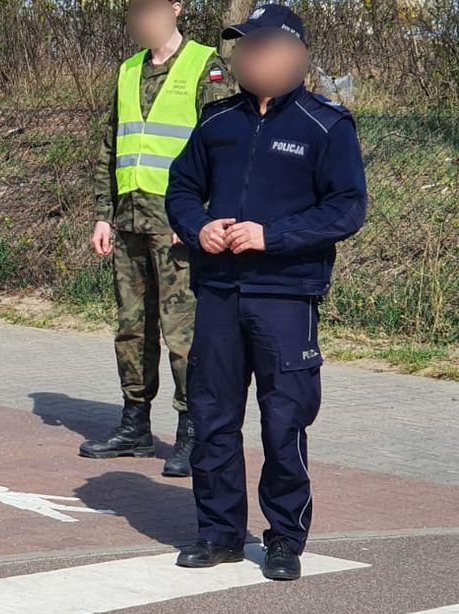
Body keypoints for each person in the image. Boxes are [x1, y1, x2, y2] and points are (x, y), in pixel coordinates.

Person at [166, 5, 366, 580]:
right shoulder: (216, 121)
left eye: (260, 45)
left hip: (286, 297)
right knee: (212, 416)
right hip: (219, 294)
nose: (249, 56)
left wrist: (270, 236)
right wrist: (196, 225)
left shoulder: (326, 124)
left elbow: (347, 209)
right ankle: (219, 534)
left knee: (284, 421)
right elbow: (180, 188)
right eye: (243, 47)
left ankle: (284, 538)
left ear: (291, 52)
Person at [82, 0, 235, 477]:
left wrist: (196, 216)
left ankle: (192, 430)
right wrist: (102, 214)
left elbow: (222, 147)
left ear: (175, 8)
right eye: (135, 12)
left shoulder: (206, 65)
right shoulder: (128, 70)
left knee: (182, 332)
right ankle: (135, 423)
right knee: (132, 326)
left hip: (176, 225)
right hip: (127, 219)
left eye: (150, 10)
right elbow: (112, 144)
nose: (142, 20)